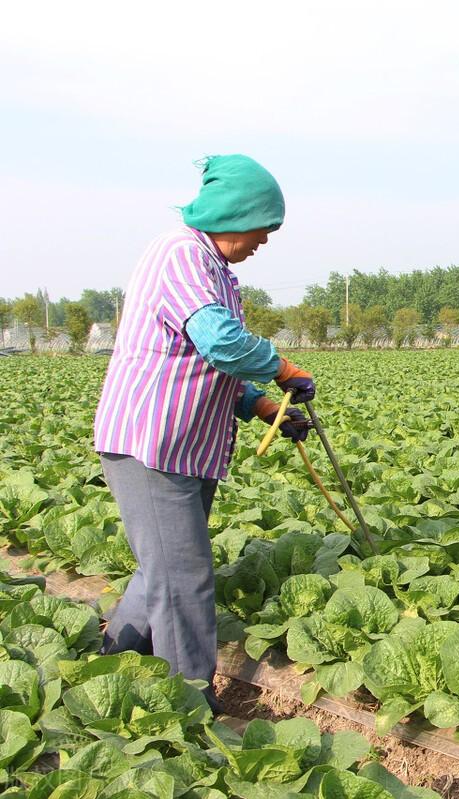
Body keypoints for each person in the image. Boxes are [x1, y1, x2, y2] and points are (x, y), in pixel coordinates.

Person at [93, 155, 316, 713]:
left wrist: (264, 405)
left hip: (186, 446)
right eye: (263, 226)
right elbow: (219, 342)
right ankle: (191, 707)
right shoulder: (181, 253)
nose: (265, 240)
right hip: (152, 443)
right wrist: (281, 368)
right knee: (186, 579)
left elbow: (206, 366)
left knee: (163, 569)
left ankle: (110, 659)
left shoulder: (218, 271)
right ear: (234, 214)